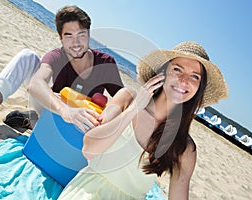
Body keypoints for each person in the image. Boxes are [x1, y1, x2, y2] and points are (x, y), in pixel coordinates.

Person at [57, 41, 229, 199]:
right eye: (177, 69)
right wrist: (134, 110)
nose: (184, 80)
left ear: (198, 88)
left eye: (195, 77)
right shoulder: (127, 99)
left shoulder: (184, 147)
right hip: (87, 192)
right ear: (163, 73)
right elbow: (89, 149)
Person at [0, 5, 123, 135]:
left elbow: (124, 99)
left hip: (85, 125)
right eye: (69, 36)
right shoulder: (57, 56)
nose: (76, 43)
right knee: (28, 57)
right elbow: (35, 84)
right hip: (58, 113)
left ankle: (31, 121)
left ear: (88, 34)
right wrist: (66, 111)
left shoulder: (105, 63)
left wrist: (108, 111)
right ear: (60, 37)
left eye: (81, 34)